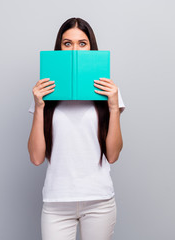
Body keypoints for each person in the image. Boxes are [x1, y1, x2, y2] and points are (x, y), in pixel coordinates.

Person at [27, 17, 126, 240]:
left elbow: (113, 155)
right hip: (57, 201)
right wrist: (40, 106)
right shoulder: (45, 91)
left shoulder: (108, 90)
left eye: (82, 43)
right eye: (67, 43)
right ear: (59, 47)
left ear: (91, 47)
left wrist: (113, 107)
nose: (75, 49)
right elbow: (35, 157)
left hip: (98, 200)